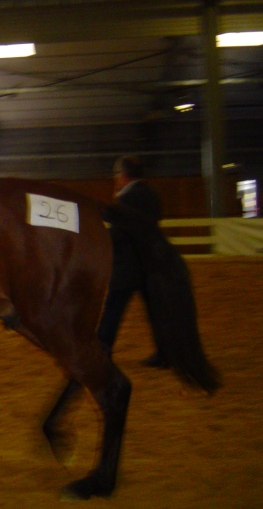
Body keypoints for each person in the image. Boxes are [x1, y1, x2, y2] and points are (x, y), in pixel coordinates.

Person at [100, 155, 168, 367]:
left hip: (128, 266)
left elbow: (121, 233)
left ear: (123, 176)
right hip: (149, 263)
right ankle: (166, 354)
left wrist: (103, 238)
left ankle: (101, 352)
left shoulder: (126, 198)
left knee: (113, 309)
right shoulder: (151, 194)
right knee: (156, 312)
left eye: (117, 175)